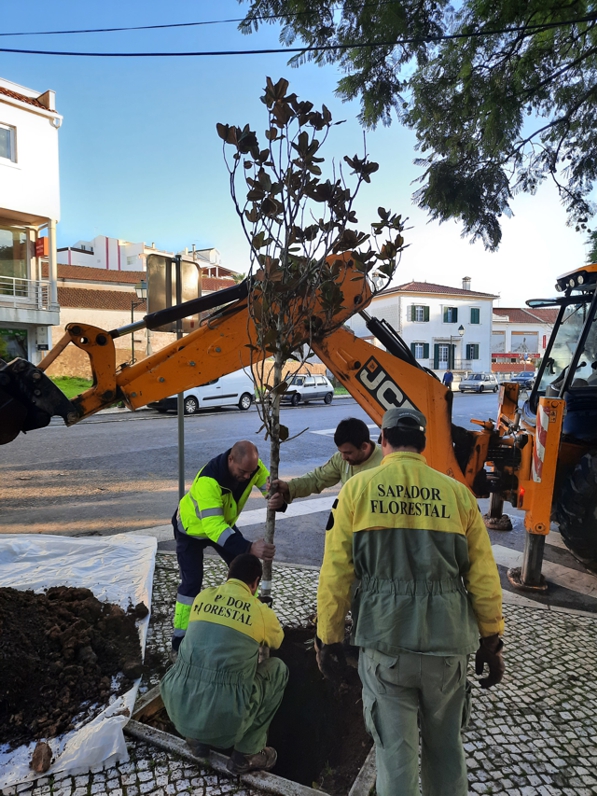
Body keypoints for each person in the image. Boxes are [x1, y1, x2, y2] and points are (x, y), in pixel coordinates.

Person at [315, 407, 504, 796]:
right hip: (447, 649)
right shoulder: (458, 495)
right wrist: (491, 640)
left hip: (385, 647)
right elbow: (484, 578)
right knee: (446, 752)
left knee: (396, 761)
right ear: (424, 444)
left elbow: (336, 574)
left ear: (383, 441)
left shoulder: (357, 491)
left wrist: (328, 639)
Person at [161, 554, 288, 775]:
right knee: (278, 670)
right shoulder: (258, 610)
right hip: (226, 722)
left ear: (228, 575)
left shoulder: (203, 597)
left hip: (178, 707)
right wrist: (260, 611)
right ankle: (246, 755)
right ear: (255, 583)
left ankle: (198, 741)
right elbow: (277, 641)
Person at [171, 440, 279, 652]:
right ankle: (179, 640)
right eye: (243, 472)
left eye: (251, 471)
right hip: (191, 531)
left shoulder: (251, 466)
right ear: (231, 459)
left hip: (222, 525)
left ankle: (245, 625)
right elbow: (214, 528)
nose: (248, 476)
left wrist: (277, 499)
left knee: (247, 572)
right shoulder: (208, 482)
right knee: (191, 584)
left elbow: (269, 486)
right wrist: (249, 547)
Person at [268, 417, 383, 509]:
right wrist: (289, 487)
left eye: (348, 453)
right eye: (341, 452)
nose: (343, 457)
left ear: (364, 446)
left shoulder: (386, 462)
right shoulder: (339, 459)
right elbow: (317, 479)